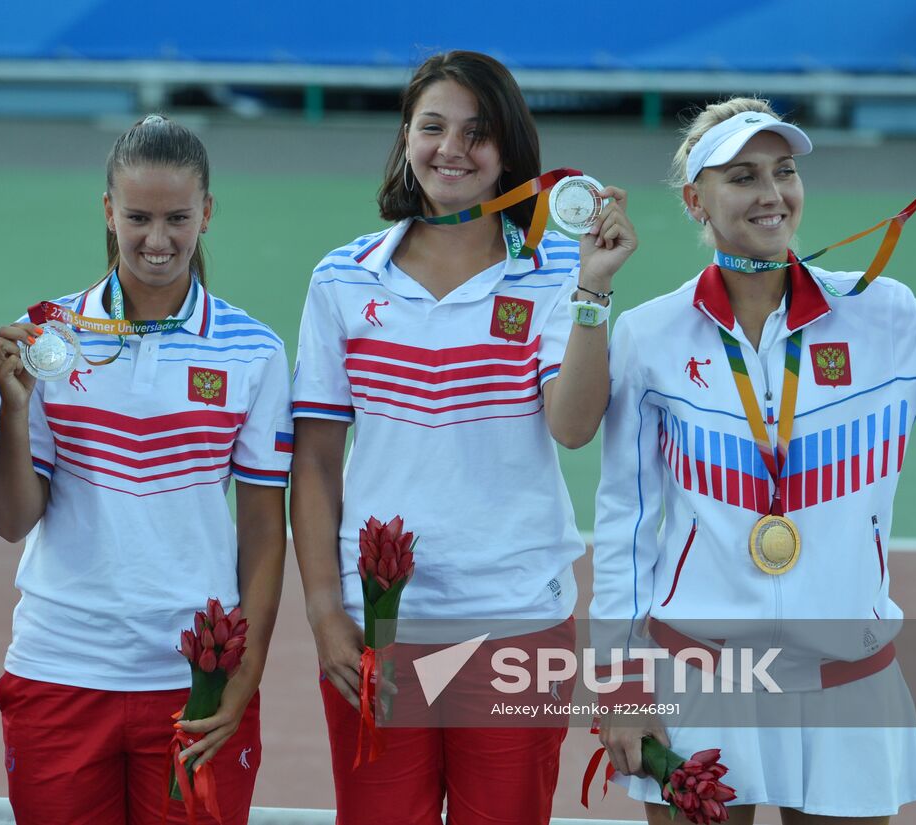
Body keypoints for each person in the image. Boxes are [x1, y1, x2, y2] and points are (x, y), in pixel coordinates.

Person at [592, 97, 916, 823]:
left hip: (847, 687)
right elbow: (624, 524)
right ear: (696, 199)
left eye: (784, 171)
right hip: (701, 682)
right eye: (744, 176)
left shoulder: (880, 314)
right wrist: (622, 683)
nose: (772, 192)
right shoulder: (650, 335)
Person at [291, 50, 637, 824]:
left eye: (476, 132)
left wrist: (593, 290)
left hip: (514, 616)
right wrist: (323, 609)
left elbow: (573, 426)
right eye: (433, 127)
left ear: (510, 148)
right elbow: (314, 463)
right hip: (381, 624)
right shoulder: (343, 277)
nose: (452, 148)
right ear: (405, 139)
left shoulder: (554, 270)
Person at [0, 114, 290, 825]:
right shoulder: (47, 335)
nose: (158, 240)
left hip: (196, 678)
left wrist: (243, 676)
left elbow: (264, 533)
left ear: (207, 212)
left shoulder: (253, 351)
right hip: (60, 668)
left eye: (178, 217)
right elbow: (9, 519)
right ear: (107, 211)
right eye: (139, 217)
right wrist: (16, 408)